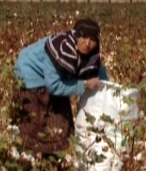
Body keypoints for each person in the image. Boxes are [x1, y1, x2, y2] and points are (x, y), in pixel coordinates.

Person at [13, 18, 109, 156]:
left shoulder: (92, 55)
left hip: (58, 79)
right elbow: (54, 86)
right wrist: (84, 85)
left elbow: (100, 75)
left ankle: (55, 154)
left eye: (92, 39)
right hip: (32, 76)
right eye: (83, 37)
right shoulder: (59, 49)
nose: (87, 44)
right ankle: (30, 155)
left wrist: (113, 93)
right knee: (39, 122)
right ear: (76, 35)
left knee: (65, 126)